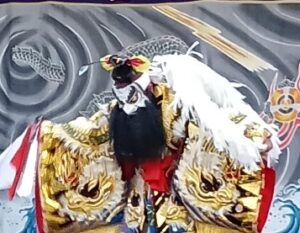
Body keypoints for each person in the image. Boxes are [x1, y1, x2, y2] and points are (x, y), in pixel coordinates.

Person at [0, 38, 281, 233]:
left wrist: (254, 138)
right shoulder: (114, 111)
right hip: (136, 207)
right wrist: (42, 140)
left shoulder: (177, 106)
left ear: (146, 85)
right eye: (121, 95)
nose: (128, 103)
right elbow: (87, 134)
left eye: (133, 92)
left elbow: (217, 123)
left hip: (177, 206)